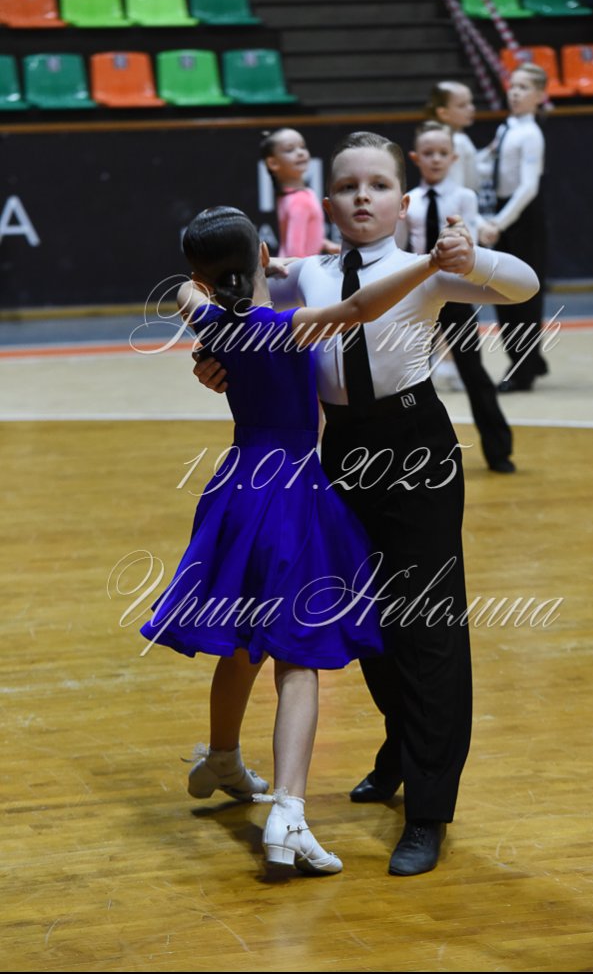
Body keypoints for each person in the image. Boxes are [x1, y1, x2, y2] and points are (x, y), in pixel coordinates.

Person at [191, 133, 539, 877]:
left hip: (415, 448)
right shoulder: (304, 273)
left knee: (428, 623)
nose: (361, 197)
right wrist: (212, 361)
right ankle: (399, 751)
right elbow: (238, 314)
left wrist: (473, 256)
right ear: (328, 199)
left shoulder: (427, 270)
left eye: (378, 185)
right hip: (341, 452)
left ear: (401, 201)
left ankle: (430, 808)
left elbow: (524, 285)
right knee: (367, 618)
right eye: (349, 186)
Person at [140, 205, 456, 876]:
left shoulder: (210, 318)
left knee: (242, 641)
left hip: (236, 490)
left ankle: (223, 757)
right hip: (290, 493)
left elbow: (186, 291)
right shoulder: (287, 327)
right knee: (298, 654)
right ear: (262, 254)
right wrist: (428, 264)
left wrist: (211, 299)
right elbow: (363, 307)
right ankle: (289, 811)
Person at [398, 120, 515, 473]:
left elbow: (471, 243)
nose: (435, 159)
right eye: (428, 153)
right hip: (419, 295)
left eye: (442, 153)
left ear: (454, 157)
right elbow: (400, 250)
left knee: (473, 372)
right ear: (416, 158)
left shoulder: (464, 197)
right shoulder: (410, 201)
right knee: (408, 375)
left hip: (455, 294)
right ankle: (407, 453)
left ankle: (499, 450)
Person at [478, 64, 549, 393]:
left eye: (524, 87)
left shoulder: (531, 134)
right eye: (513, 86)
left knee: (522, 295)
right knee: (504, 290)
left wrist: (499, 223)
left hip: (522, 217)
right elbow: (485, 164)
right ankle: (531, 359)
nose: (515, 92)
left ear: (539, 96)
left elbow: (528, 187)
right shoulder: (507, 127)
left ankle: (523, 369)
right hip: (505, 212)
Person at [259, 127, 339, 257]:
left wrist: (326, 244)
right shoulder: (299, 200)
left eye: (302, 147)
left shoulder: (290, 195)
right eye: (290, 150)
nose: (300, 153)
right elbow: (293, 253)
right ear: (273, 163)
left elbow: (305, 234)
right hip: (297, 268)